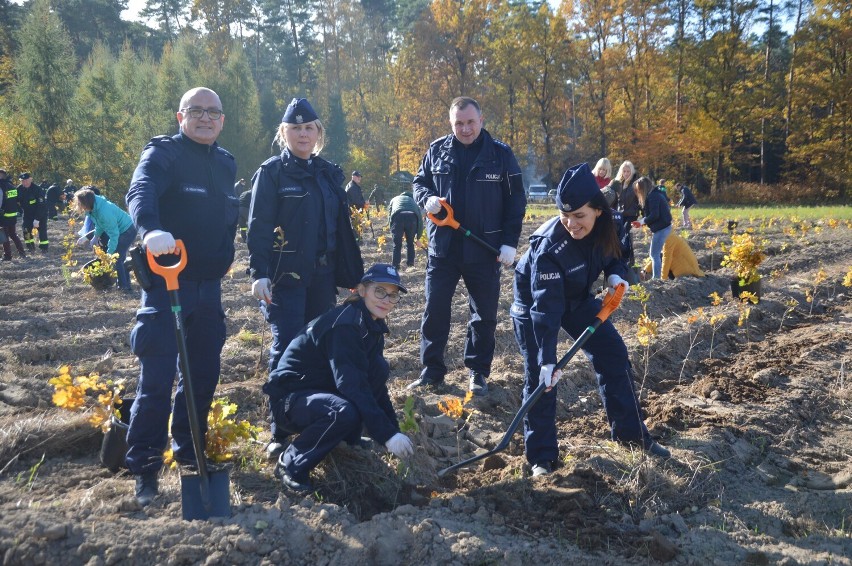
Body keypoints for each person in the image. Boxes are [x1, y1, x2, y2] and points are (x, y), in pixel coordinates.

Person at [510, 163, 670, 477]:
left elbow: (615, 256)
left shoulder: (607, 224)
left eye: (579, 216)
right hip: (535, 306)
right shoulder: (548, 249)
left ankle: (631, 435)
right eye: (564, 215)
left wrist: (615, 276)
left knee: (612, 353)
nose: (571, 223)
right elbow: (546, 309)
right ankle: (542, 459)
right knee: (543, 379)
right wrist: (546, 358)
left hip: (578, 297)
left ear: (597, 210)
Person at [124, 87, 239, 507]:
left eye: (213, 112)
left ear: (222, 121)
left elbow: (227, 215)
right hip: (168, 284)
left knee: (203, 374)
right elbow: (141, 191)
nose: (205, 118)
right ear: (180, 116)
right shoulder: (164, 153)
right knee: (156, 379)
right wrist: (150, 230)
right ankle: (144, 467)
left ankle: (188, 449)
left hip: (209, 288)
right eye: (196, 111)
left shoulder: (225, 163)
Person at [408, 96, 527, 396]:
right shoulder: (436, 150)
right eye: (458, 123)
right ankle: (432, 371)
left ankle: (477, 373)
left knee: (483, 314)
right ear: (451, 124)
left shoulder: (500, 155)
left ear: (481, 120)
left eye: (470, 122)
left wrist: (509, 243)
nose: (465, 129)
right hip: (443, 247)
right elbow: (419, 182)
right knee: (434, 310)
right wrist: (426, 199)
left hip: (484, 248)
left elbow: (516, 201)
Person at [264, 264, 415, 492]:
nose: (386, 299)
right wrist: (386, 434)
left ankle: (346, 441)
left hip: (318, 392)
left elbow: (374, 385)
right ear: (362, 290)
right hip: (290, 400)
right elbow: (351, 383)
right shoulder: (346, 325)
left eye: (393, 295)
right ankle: (291, 462)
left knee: (377, 370)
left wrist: (391, 432)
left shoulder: (370, 326)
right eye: (379, 291)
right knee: (341, 411)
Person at [248, 97, 363, 376]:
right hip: (285, 278)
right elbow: (259, 226)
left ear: (318, 133)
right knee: (288, 346)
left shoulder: (328, 174)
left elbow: (340, 230)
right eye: (295, 129)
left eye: (309, 128)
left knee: (319, 343)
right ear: (283, 133)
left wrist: (351, 274)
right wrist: (258, 273)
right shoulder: (272, 173)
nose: (303, 134)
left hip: (322, 278)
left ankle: (311, 408)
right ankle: (282, 412)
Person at [72, 187, 136, 290]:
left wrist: (109, 254)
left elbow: (114, 235)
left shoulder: (104, 212)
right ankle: (124, 282)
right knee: (118, 257)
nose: (78, 205)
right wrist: (95, 237)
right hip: (119, 231)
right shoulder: (94, 208)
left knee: (116, 258)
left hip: (127, 230)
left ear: (86, 202)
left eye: (79, 203)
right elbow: (99, 224)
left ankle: (124, 287)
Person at [632, 177, 673, 280]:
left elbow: (655, 215)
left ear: (643, 188)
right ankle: (657, 277)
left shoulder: (653, 196)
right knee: (655, 254)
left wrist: (642, 222)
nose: (638, 192)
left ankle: (656, 279)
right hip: (664, 227)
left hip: (662, 228)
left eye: (639, 189)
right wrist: (641, 222)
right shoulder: (656, 194)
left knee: (654, 254)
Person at [387, 189, 422, 270]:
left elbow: (390, 216)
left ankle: (395, 266)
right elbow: (419, 220)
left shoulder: (394, 199)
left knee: (397, 244)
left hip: (398, 216)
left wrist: (393, 230)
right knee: (410, 243)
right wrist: (418, 238)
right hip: (412, 218)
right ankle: (410, 265)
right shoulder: (414, 201)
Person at [1, 169, 26, 261]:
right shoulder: (12, 186)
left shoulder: (1, 186)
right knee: (13, 234)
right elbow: (16, 201)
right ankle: (22, 253)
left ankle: (7, 256)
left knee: (4, 236)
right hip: (12, 215)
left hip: (3, 216)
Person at [20, 173, 48, 252]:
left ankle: (44, 248)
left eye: (26, 180)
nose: (24, 182)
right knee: (26, 230)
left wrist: (37, 219)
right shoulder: (19, 189)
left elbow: (41, 205)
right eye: (22, 181)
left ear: (30, 179)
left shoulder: (37, 189)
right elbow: (16, 201)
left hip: (40, 213)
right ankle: (30, 247)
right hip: (27, 214)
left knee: (42, 231)